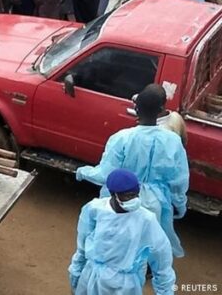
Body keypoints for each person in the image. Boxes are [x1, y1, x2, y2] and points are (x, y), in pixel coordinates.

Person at [76, 84, 188, 259]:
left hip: (121, 201)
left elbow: (106, 175)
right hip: (156, 204)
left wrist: (83, 172)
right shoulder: (173, 141)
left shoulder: (122, 138)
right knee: (147, 244)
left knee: (115, 246)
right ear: (162, 109)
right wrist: (179, 205)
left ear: (136, 108)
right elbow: (179, 180)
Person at [68, 168, 176, 295]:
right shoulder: (94, 210)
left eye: (136, 194)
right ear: (114, 194)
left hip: (124, 286)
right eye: (129, 196)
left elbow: (161, 258)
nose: (134, 200)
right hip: (92, 278)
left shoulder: (146, 220)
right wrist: (76, 272)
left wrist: (165, 291)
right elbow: (82, 246)